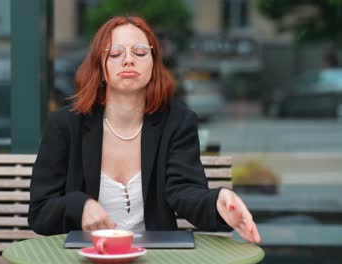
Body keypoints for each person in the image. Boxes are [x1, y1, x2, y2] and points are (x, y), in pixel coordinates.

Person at [29, 16, 260, 243]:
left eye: (140, 52)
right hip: (85, 257)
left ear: (154, 62)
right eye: (116, 53)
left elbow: (185, 192)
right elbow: (40, 213)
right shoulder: (66, 125)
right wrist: (80, 206)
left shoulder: (178, 122)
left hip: (155, 257)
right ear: (99, 65)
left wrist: (218, 201)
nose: (128, 60)